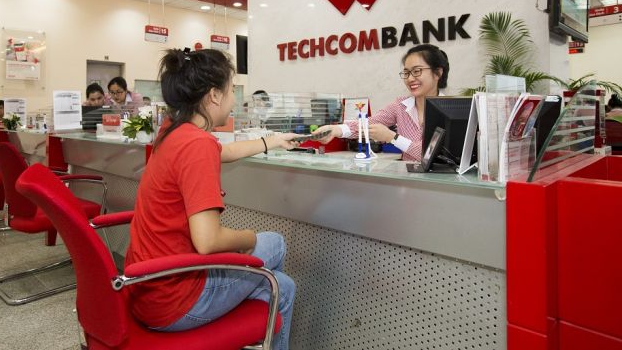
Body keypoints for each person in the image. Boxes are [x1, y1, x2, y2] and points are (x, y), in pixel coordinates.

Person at [125, 48, 297, 350]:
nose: (234, 101)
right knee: (276, 243)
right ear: (214, 95)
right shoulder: (197, 145)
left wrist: (271, 141)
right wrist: (247, 238)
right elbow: (207, 241)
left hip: (146, 287)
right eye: (231, 91)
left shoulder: (173, 131)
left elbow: (223, 151)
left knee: (282, 286)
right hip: (176, 298)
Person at [314, 43, 450, 161]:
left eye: (417, 71)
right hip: (408, 179)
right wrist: (335, 130)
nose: (410, 79)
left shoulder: (450, 110)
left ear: (438, 73)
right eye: (406, 73)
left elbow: (433, 155)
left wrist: (393, 137)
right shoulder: (400, 105)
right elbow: (369, 123)